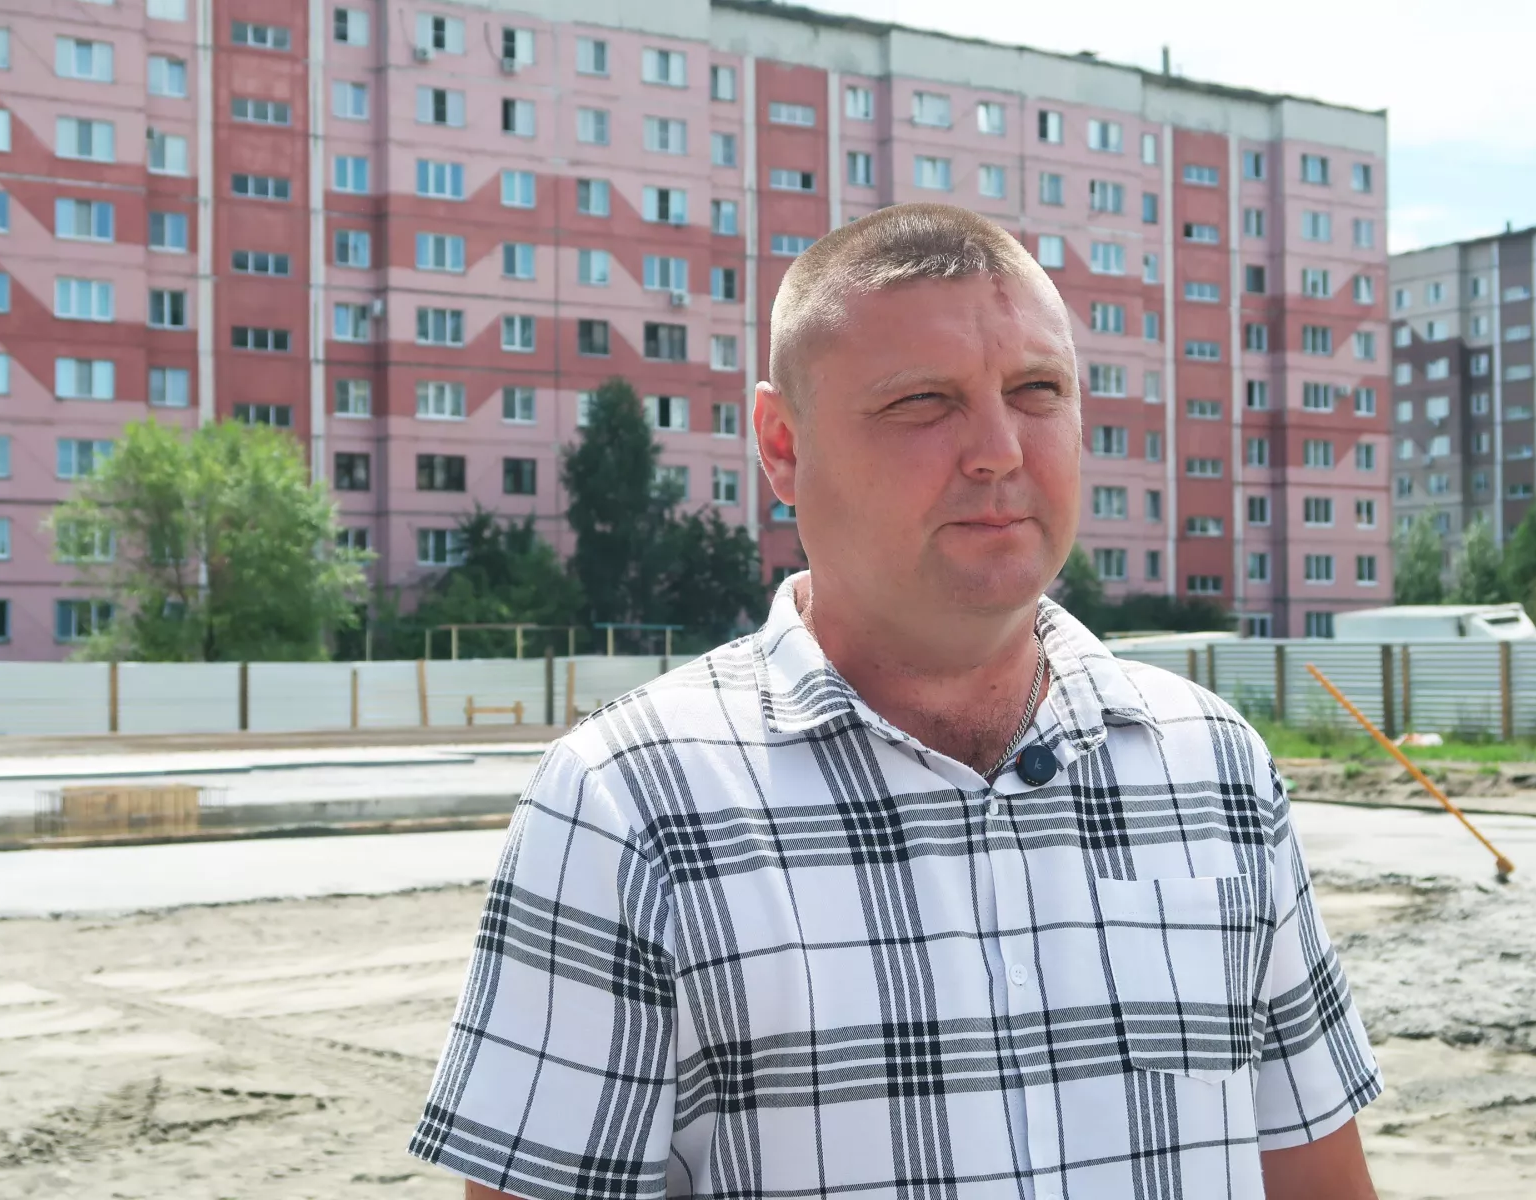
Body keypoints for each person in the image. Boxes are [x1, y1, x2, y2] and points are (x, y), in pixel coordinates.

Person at [410, 203, 1383, 1200]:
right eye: (924, 401)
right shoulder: (630, 805)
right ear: (783, 446)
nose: (1000, 449)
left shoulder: (1213, 765)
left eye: (1037, 390)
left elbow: (1316, 1178)